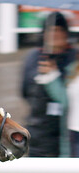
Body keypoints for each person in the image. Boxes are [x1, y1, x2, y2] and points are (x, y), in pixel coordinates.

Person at [21, 11, 76, 157]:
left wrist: (54, 76)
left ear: (66, 33)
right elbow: (25, 92)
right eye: (51, 30)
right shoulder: (34, 57)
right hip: (39, 132)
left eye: (59, 30)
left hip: (65, 133)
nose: (54, 34)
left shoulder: (74, 59)